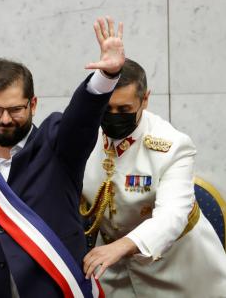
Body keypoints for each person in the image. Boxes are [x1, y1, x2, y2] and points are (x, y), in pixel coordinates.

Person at [0, 17, 125, 298]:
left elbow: (81, 119)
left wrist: (106, 78)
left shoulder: (56, 145)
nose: (4, 119)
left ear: (33, 104)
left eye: (16, 109)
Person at [81, 58, 226, 297]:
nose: (114, 116)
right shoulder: (85, 137)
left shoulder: (172, 145)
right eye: (107, 109)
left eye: (124, 109)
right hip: (113, 269)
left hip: (177, 269)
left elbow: (172, 215)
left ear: (145, 99)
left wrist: (121, 247)